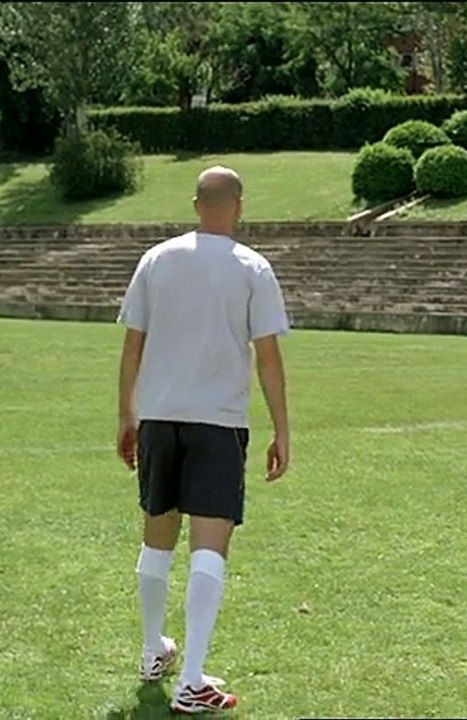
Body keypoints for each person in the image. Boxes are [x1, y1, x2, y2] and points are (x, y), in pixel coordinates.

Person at [115, 165, 291, 714]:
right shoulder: (251, 267)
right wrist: (283, 430)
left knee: (157, 539)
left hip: (160, 420)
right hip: (217, 423)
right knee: (209, 548)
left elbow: (132, 347)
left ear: (197, 204)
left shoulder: (156, 260)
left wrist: (128, 416)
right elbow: (268, 357)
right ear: (239, 205)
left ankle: (152, 650)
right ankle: (191, 679)